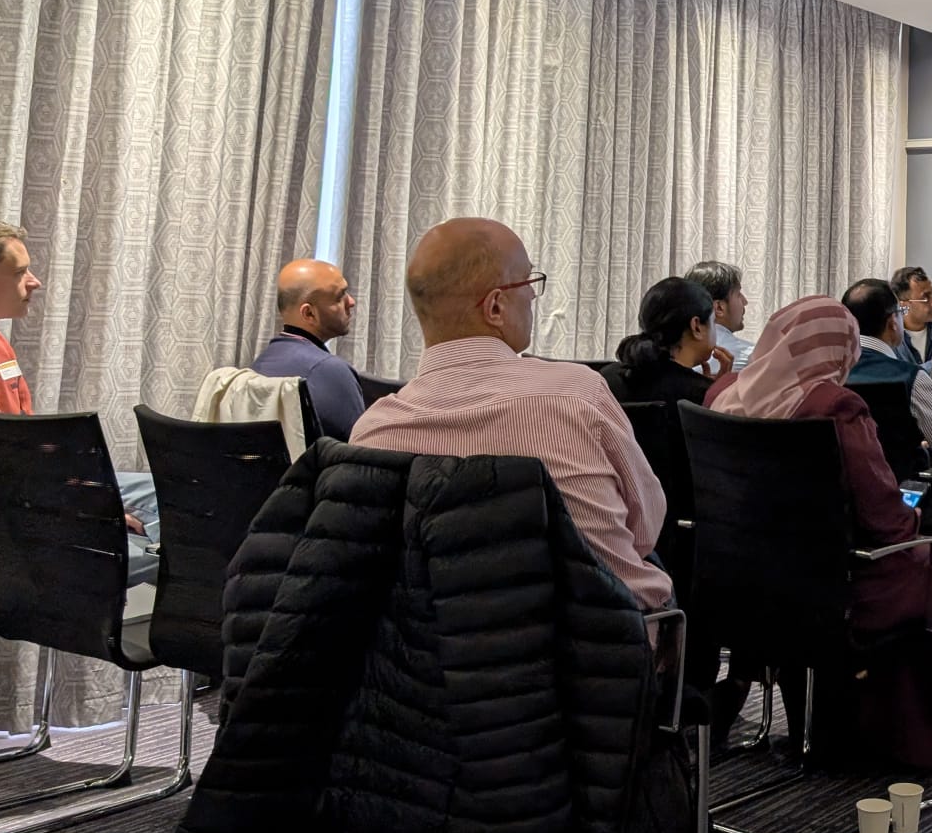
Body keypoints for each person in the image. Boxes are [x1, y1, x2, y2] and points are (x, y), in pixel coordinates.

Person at [706, 296, 932, 772]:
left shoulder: (722, 394)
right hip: (842, 590)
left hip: (742, 588)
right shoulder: (834, 406)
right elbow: (887, 523)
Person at [352, 217, 670, 611]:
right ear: (495, 306)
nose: (533, 295)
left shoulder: (373, 433)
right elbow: (645, 529)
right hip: (599, 633)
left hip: (431, 642)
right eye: (528, 282)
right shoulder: (576, 395)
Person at [0, 217, 156, 598]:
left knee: (165, 493)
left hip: (29, 505)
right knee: (186, 552)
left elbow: (28, 452)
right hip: (11, 539)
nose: (34, 282)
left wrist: (86, 507)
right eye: (20, 273)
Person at [841, 277, 932, 466]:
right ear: (893, 322)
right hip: (900, 482)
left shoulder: (828, 374)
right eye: (901, 313)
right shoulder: (912, 379)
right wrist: (925, 452)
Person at [248, 258, 365, 441]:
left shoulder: (259, 365)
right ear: (309, 313)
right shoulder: (331, 371)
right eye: (339, 296)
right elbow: (360, 447)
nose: (351, 302)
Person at [600, 276, 730, 410]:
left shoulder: (605, 379)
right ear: (696, 326)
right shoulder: (704, 396)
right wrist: (717, 391)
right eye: (713, 322)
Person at [686, 260, 753, 371]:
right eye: (738, 294)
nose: (745, 301)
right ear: (719, 308)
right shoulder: (752, 356)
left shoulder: (677, 354)